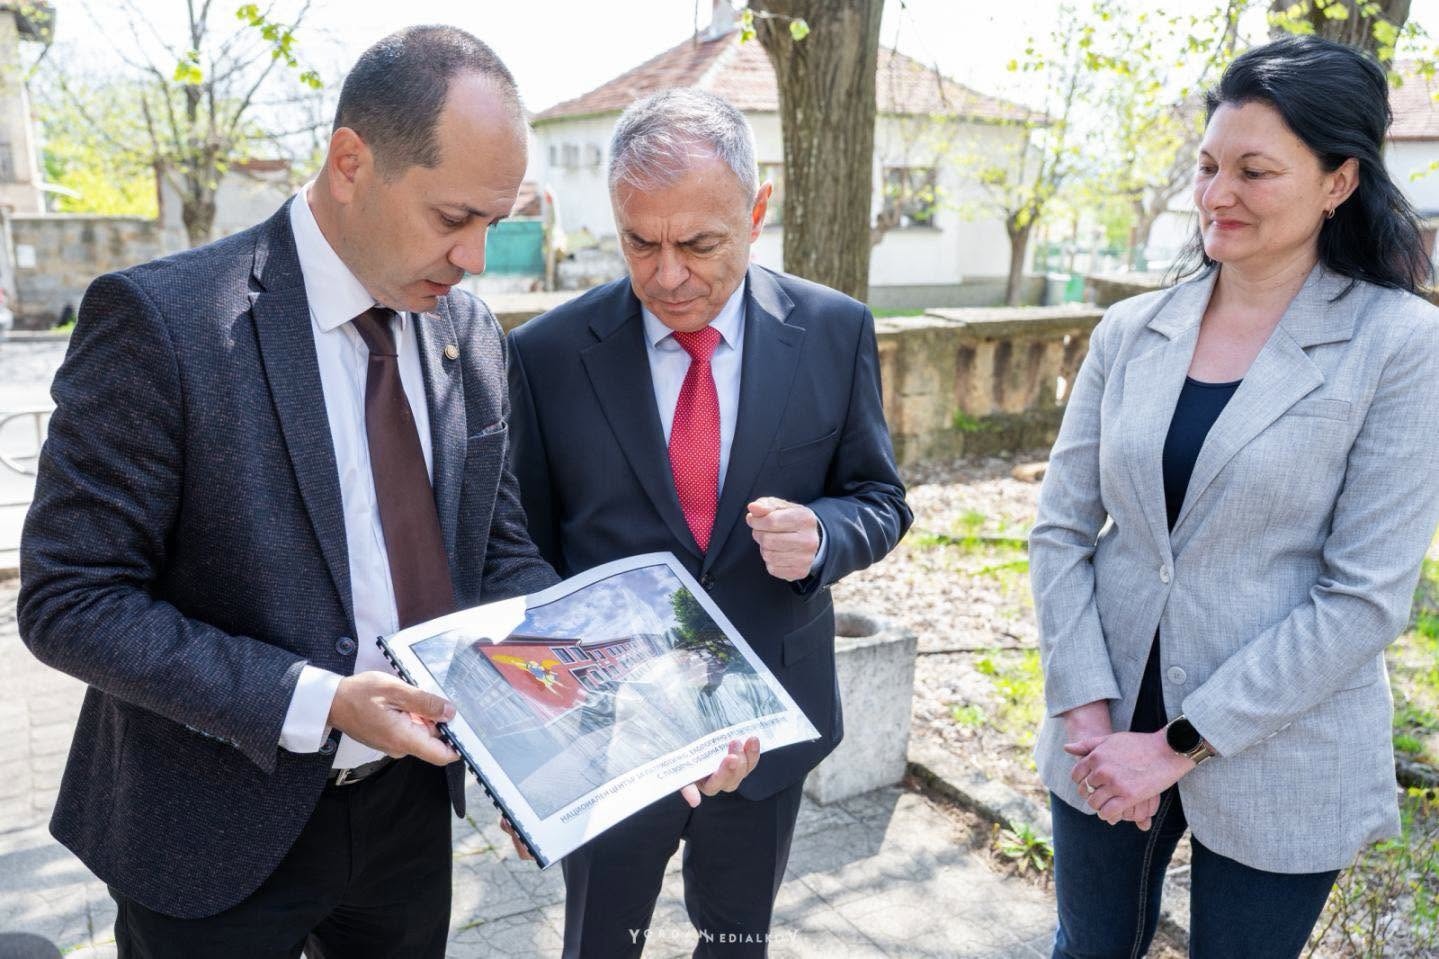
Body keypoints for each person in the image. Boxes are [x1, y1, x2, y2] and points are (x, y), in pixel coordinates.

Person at [1029, 35, 1439, 958]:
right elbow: (1059, 529)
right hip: (1102, 723)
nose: (1217, 194)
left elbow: (1364, 595)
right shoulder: (1129, 329)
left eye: (1254, 172)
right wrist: (1085, 711)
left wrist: (1174, 743)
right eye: (1207, 165)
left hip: (1285, 741)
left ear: (1338, 181)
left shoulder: (1400, 344)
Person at [507, 88, 912, 956]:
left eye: (698, 243)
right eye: (638, 242)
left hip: (767, 726)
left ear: (756, 213)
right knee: (597, 944)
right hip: (609, 738)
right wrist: (529, 743)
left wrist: (823, 536)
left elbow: (879, 498)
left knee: (735, 942)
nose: (667, 276)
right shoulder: (543, 356)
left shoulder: (834, 330)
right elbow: (521, 557)